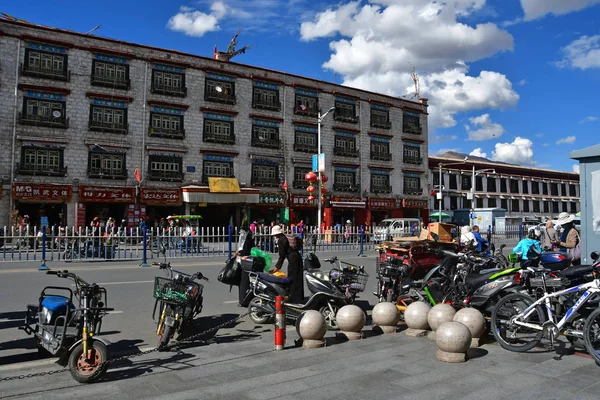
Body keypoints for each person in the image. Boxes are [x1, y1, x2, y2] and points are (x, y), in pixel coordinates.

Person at [271, 225, 304, 303]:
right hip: (298, 257)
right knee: (298, 278)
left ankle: (293, 298)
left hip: (292, 259)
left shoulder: (281, 240)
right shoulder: (285, 237)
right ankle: (299, 297)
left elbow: (282, 256)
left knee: (292, 278)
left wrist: (277, 267)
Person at [237, 225, 256, 306]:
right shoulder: (248, 239)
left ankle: (244, 300)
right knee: (245, 283)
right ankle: (245, 300)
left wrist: (239, 254)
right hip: (248, 263)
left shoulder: (246, 240)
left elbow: (244, 252)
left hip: (246, 264)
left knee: (244, 283)